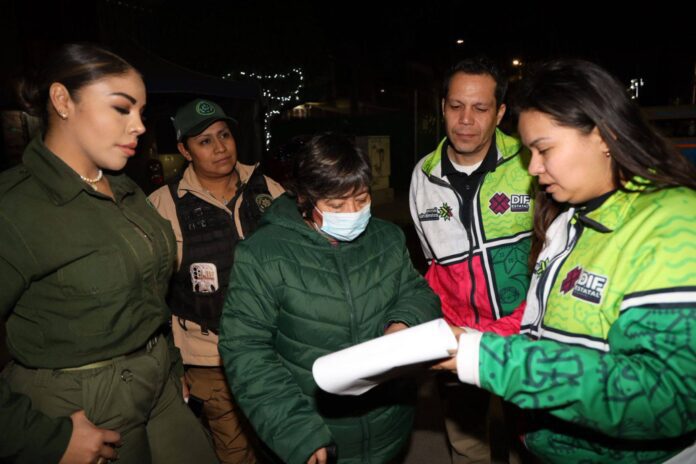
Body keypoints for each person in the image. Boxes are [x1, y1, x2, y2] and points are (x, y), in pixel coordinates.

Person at [441, 59, 696, 463]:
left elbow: (670, 397)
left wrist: (492, 360)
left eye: (544, 149)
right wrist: (471, 341)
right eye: (529, 152)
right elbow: (543, 328)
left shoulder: (675, 224)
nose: (533, 167)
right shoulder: (567, 220)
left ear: (604, 135)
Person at [0, 43, 218, 464]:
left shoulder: (125, 188)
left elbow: (151, 293)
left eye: (141, 111)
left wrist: (170, 366)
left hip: (157, 380)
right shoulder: (15, 207)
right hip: (81, 403)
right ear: (63, 100)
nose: (139, 126)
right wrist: (39, 438)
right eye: (121, 108)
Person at [219, 133, 441, 464]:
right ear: (304, 199)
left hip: (388, 426)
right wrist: (298, 434)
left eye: (362, 199)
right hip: (319, 431)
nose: (352, 212)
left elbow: (416, 291)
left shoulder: (387, 238)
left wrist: (403, 323)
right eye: (336, 205)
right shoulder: (262, 255)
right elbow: (245, 350)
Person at [409, 57, 535, 462]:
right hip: (457, 339)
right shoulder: (423, 176)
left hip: (525, 334)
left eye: (480, 108)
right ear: (442, 107)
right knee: (467, 446)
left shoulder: (531, 164)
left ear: (499, 112)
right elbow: (434, 265)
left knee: (530, 443)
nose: (466, 120)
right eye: (456, 106)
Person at [149, 98, 284, 463]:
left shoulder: (268, 189)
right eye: (205, 141)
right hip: (210, 358)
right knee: (235, 452)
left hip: (274, 348)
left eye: (224, 135)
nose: (220, 147)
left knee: (286, 442)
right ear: (184, 150)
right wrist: (172, 365)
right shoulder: (163, 205)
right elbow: (150, 296)